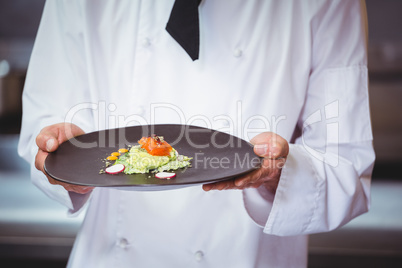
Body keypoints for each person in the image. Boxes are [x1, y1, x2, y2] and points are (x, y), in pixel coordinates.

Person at [18, 0, 375, 267]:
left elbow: (345, 165)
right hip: (111, 255)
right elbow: (46, 121)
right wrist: (63, 158)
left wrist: (278, 176)